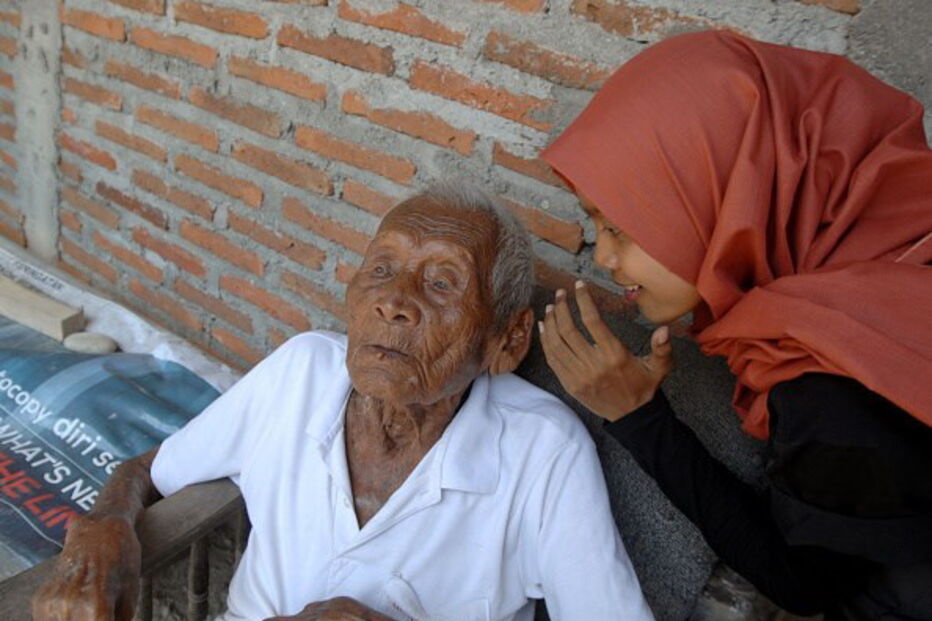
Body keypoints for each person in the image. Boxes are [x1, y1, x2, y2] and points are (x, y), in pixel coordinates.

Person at [32, 182, 654, 621]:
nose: (394, 302)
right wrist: (103, 527)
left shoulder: (542, 450)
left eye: (441, 283)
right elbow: (150, 471)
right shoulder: (302, 370)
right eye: (381, 270)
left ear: (507, 340)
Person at [537, 30, 932, 619]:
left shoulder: (838, 381)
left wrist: (641, 420)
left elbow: (807, 584)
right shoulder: (889, 249)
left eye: (621, 227)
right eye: (595, 227)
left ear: (726, 200)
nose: (602, 257)